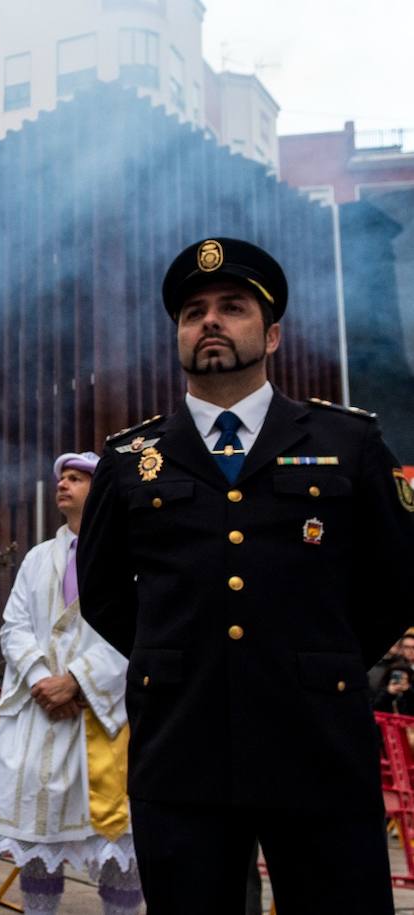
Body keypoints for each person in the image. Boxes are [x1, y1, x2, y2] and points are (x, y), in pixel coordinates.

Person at [78, 237, 414, 913]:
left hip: (317, 736)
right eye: (193, 311)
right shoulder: (130, 457)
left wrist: (330, 657)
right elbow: (103, 591)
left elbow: (396, 578)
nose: (210, 321)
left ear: (273, 333)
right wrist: (172, 655)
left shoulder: (345, 441)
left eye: (232, 307)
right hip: (182, 740)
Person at [0, 452, 141, 915]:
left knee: (115, 841)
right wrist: (44, 681)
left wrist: (79, 682)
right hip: (39, 714)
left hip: (104, 716)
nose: (63, 484)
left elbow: (138, 627)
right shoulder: (38, 557)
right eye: (61, 478)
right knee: (37, 836)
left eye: (77, 478)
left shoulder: (129, 554)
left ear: (102, 489)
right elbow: (14, 626)